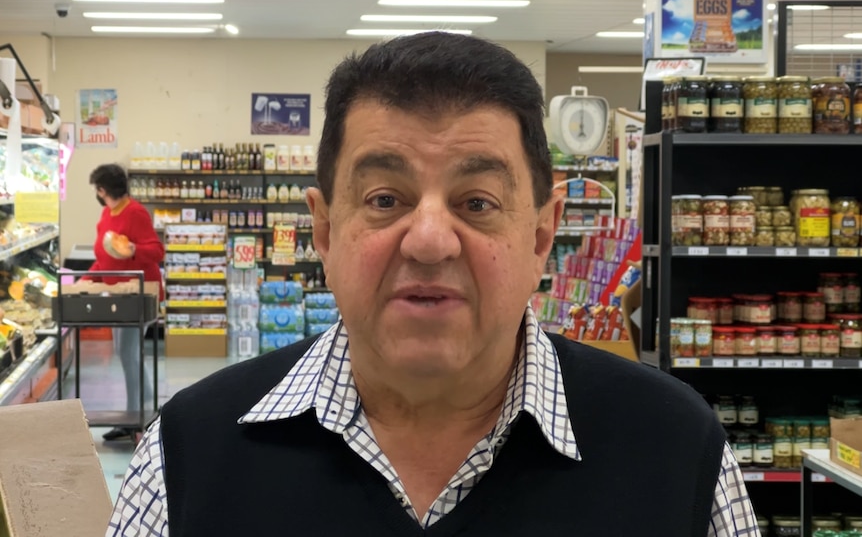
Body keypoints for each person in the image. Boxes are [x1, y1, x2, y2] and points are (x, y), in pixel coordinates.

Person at [107, 33, 759, 536]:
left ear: (540, 234)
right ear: (326, 231)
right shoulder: (187, 453)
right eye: (386, 197)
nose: (428, 239)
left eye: (476, 202)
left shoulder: (677, 448)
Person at [86, 164, 164, 441]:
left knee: (129, 354)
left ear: (103, 190)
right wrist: (87, 279)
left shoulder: (135, 212)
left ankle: (135, 420)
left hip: (139, 294)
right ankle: (148, 411)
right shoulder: (107, 213)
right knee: (126, 353)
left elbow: (156, 251)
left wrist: (132, 249)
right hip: (119, 294)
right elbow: (103, 256)